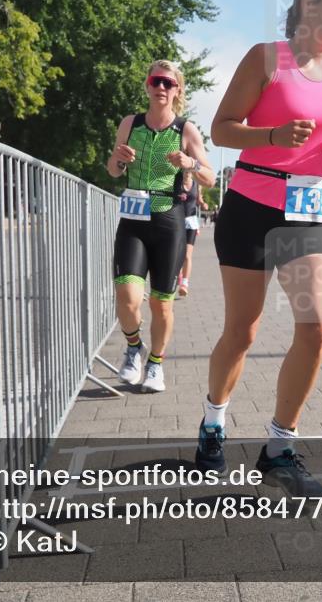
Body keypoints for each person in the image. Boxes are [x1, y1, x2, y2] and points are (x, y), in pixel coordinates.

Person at [193, 0, 322, 496]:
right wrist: (270, 133)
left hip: (309, 210)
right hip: (250, 202)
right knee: (242, 331)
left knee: (316, 329)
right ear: (308, 4)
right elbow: (222, 129)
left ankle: (280, 447)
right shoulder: (266, 58)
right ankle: (213, 422)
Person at [106, 60, 214, 393]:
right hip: (134, 219)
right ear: (147, 86)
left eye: (169, 83)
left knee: (161, 302)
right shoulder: (130, 123)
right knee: (126, 296)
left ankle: (155, 364)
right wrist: (119, 159)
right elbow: (112, 170)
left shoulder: (185, 129)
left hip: (168, 220)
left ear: (177, 90)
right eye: (156, 81)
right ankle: (133, 347)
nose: (162, 88)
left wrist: (191, 163)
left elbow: (209, 176)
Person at [177, 173, 209, 297]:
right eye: (184, 171)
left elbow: (199, 200)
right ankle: (178, 275)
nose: (187, 173)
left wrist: (203, 204)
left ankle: (185, 283)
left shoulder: (196, 185)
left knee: (187, 255)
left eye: (189, 171)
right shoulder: (177, 182)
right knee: (177, 253)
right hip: (177, 221)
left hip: (191, 222)